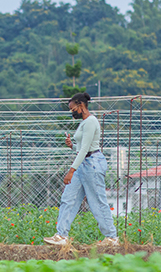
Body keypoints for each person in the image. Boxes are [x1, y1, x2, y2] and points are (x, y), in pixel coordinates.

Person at [44, 92, 119, 246]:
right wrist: (72, 146)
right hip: (84, 164)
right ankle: (61, 235)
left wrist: (71, 170)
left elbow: (85, 149)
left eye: (73, 109)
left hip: (92, 164)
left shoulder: (91, 122)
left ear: (81, 105)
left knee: (97, 201)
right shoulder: (84, 123)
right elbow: (81, 148)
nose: (72, 112)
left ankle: (111, 237)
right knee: (68, 199)